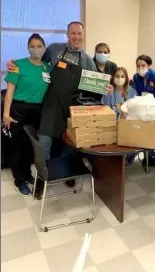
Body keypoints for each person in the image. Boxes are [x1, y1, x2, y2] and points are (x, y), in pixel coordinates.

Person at [7, 22, 114, 189]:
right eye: (73, 33)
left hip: (72, 108)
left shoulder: (86, 59)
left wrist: (105, 88)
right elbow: (36, 63)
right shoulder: (54, 49)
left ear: (83, 35)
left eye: (79, 34)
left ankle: (68, 171)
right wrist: (14, 65)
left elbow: (94, 86)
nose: (76, 37)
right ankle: (43, 177)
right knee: (44, 143)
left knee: (69, 143)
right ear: (67, 34)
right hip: (51, 106)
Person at [3, 33, 50, 196]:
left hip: (37, 111)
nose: (36, 49)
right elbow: (9, 91)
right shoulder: (17, 65)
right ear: (27, 48)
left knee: (30, 146)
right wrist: (5, 114)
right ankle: (19, 180)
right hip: (18, 109)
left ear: (44, 47)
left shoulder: (47, 67)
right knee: (15, 147)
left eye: (39, 46)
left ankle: (28, 174)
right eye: (32, 46)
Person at [101, 67, 137, 166]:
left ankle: (126, 161)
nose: (119, 78)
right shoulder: (109, 92)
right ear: (113, 78)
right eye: (117, 76)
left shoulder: (132, 91)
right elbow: (105, 109)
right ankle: (114, 162)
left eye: (122, 76)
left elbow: (136, 110)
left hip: (129, 124)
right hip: (112, 124)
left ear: (126, 78)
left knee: (135, 140)